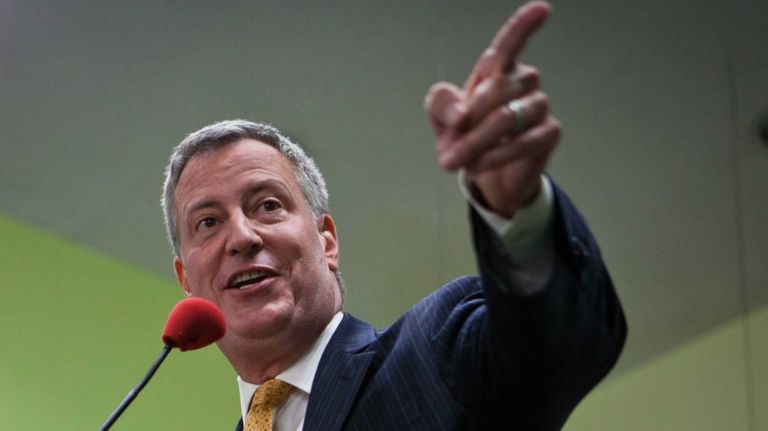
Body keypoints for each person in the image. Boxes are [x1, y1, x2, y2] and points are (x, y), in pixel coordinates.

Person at [161, 2, 626, 430]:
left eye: (267, 205)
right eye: (208, 223)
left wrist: (520, 214)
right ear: (186, 280)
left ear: (327, 241)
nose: (241, 236)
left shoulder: (435, 357)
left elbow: (558, 349)